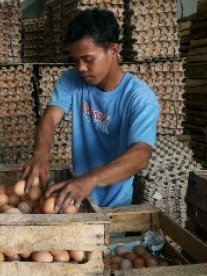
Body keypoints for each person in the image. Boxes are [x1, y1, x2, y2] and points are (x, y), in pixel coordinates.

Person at [22, 8, 160, 212]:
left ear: (113, 50)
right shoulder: (71, 80)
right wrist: (41, 154)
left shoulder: (140, 98)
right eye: (75, 60)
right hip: (75, 198)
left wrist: (91, 179)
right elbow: (51, 117)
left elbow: (141, 154)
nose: (81, 68)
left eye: (88, 59)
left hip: (113, 207)